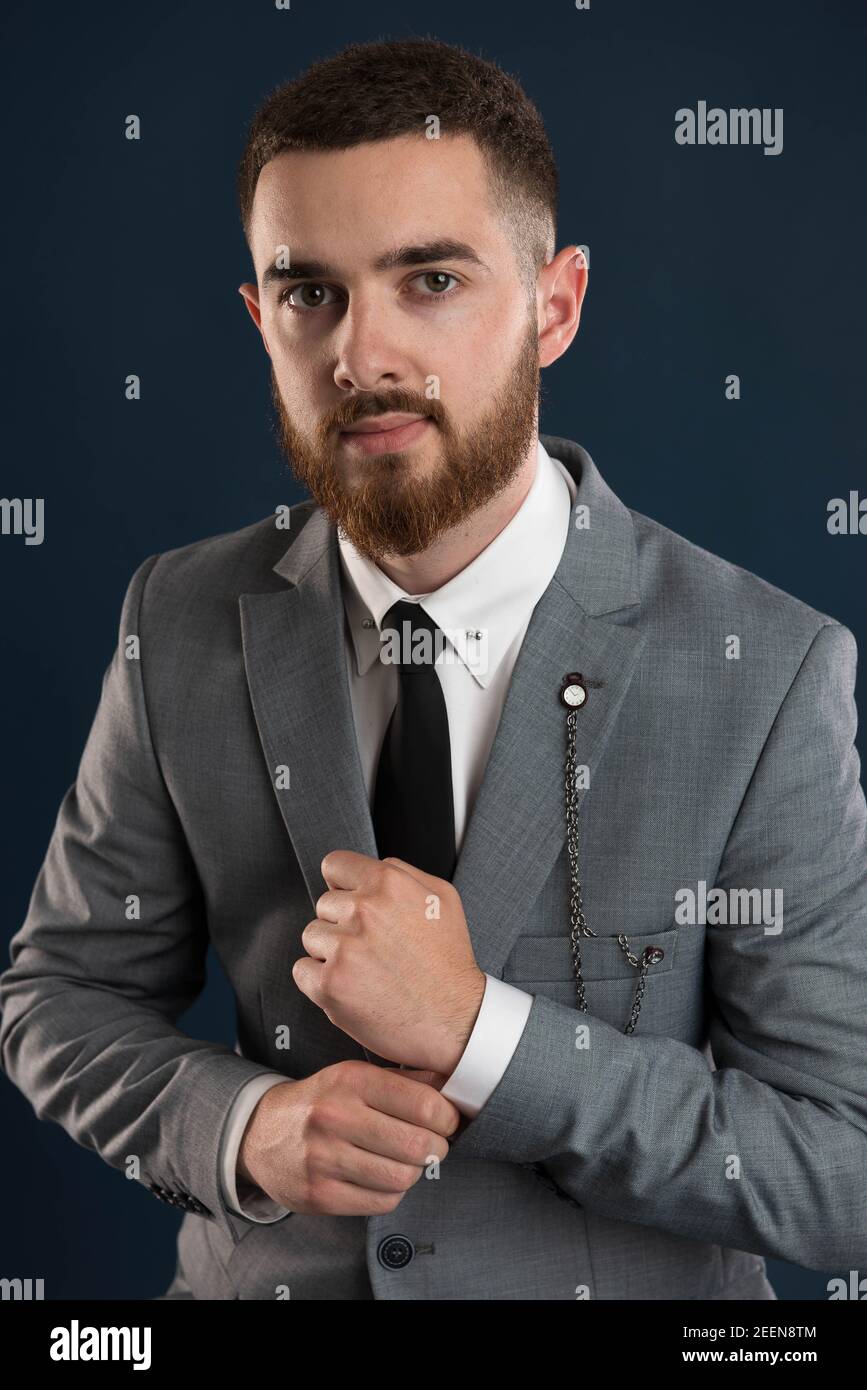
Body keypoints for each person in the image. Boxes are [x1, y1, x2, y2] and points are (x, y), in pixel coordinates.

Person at [2, 36, 866, 1302]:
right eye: (310, 293)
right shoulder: (178, 615)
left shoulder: (769, 670)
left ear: (555, 306)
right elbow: (60, 997)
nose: (363, 355)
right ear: (259, 317)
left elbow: (839, 1167)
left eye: (432, 279)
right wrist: (242, 1130)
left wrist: (481, 1036)